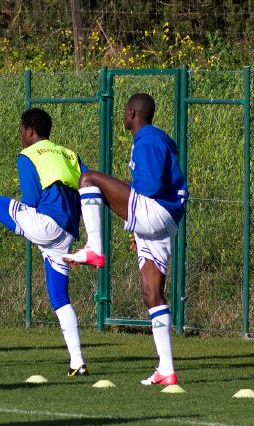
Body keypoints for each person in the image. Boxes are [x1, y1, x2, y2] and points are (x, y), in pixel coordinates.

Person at [63, 93, 187, 386]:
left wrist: (137, 211)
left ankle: (94, 247)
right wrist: (136, 224)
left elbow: (152, 183)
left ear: (132, 112)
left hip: (158, 210)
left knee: (89, 180)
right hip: (163, 219)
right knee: (151, 293)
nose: (122, 115)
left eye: (123, 111)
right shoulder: (151, 139)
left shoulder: (147, 139)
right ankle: (166, 369)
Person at [0, 108, 89, 377]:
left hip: (46, 224)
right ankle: (77, 362)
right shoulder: (69, 154)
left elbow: (29, 199)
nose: (19, 136)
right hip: (67, 232)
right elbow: (90, 185)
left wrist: (22, 216)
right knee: (59, 297)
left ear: (30, 131)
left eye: (20, 131)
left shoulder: (28, 155)